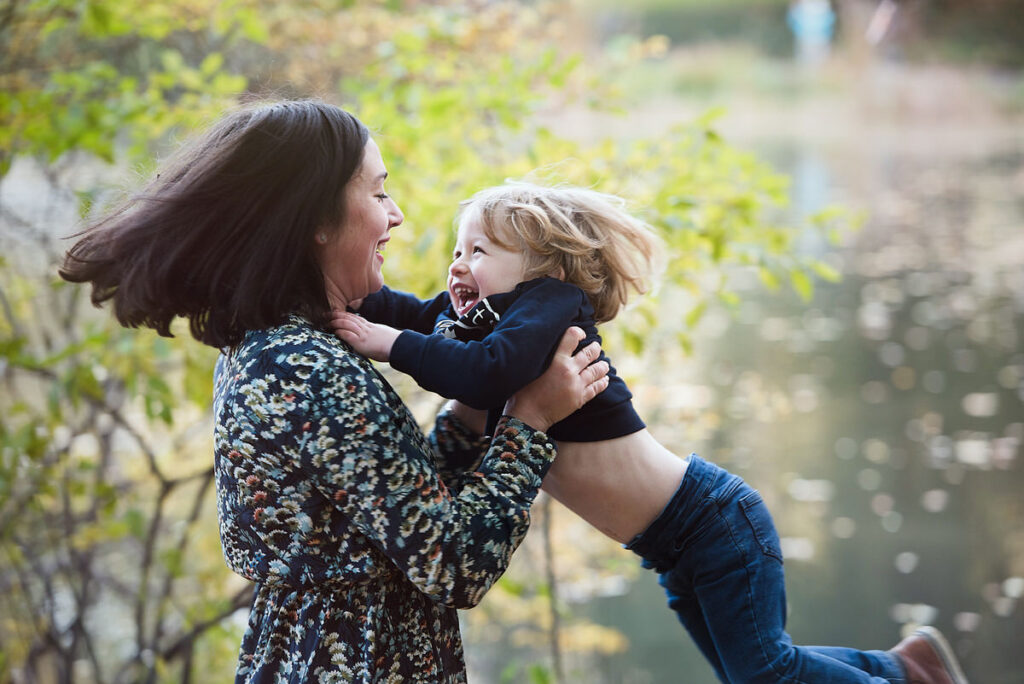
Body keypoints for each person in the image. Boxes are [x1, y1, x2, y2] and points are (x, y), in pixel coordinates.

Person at [58, 101, 611, 683]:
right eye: (377, 194)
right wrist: (529, 422)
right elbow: (454, 563)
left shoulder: (280, 345)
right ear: (316, 220)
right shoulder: (301, 368)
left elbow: (400, 513)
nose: (395, 215)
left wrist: (473, 404)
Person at [331, 182, 971, 684]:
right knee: (756, 670)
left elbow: (480, 368)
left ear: (541, 265)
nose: (458, 265)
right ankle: (904, 669)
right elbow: (419, 316)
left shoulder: (549, 309)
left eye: (478, 251)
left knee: (765, 671)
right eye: (456, 250)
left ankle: (904, 676)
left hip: (713, 525)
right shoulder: (491, 318)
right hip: (674, 547)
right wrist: (341, 297)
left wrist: (388, 344)